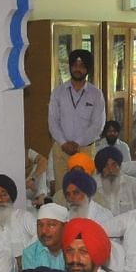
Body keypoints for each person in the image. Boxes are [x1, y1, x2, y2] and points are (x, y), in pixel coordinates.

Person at [48, 49, 106, 190]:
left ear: (88, 69)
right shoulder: (58, 92)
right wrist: (64, 143)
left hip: (85, 150)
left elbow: (97, 125)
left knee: (84, 190)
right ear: (70, 67)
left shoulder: (96, 94)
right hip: (61, 149)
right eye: (74, 65)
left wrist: (77, 143)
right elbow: (53, 121)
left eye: (82, 66)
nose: (77, 69)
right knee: (62, 191)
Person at [0, 174, 36, 263]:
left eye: (4, 195)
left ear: (11, 197)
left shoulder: (24, 217)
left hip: (25, 268)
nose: (0, 200)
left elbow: (40, 237)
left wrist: (25, 258)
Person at [94, 145, 136, 216]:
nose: (110, 170)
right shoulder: (93, 186)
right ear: (101, 169)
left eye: (114, 165)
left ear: (119, 166)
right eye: (106, 166)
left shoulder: (133, 184)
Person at [22, 203, 69, 271]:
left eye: (51, 225)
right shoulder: (30, 253)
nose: (44, 231)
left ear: (65, 226)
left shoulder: (75, 250)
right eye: (40, 225)